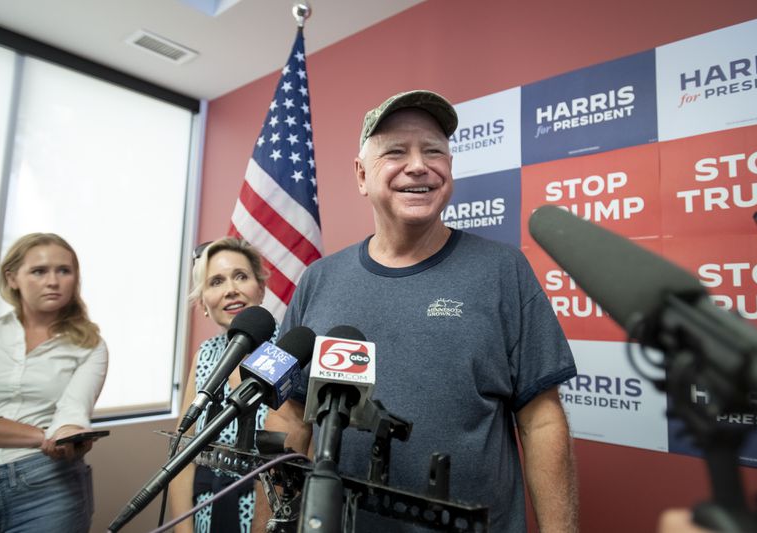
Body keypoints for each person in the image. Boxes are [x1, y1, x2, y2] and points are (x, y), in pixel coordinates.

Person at [253, 90, 579, 532]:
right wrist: (271, 523)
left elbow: (541, 421)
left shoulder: (503, 271)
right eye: (396, 152)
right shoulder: (319, 280)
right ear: (361, 174)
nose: (419, 166)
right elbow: (289, 415)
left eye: (434, 152)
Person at [0, 233, 108, 532]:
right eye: (39, 271)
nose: (53, 281)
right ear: (12, 278)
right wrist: (41, 437)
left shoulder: (91, 345)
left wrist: (68, 436)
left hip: (47, 485)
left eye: (64, 271)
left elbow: (72, 411)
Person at [169, 237, 276, 533]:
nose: (231, 289)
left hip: (268, 518)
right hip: (207, 513)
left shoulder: (287, 355)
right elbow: (181, 454)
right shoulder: (205, 355)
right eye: (215, 281)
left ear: (261, 288)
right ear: (203, 302)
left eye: (241, 276)